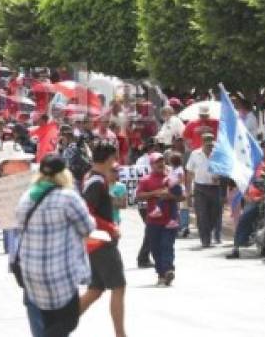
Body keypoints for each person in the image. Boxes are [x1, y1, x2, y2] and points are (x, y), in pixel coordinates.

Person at [14, 155, 94, 337]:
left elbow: (18, 226)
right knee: (69, 320)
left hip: (31, 271)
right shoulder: (67, 197)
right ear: (64, 173)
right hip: (59, 273)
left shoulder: (27, 196)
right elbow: (87, 227)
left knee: (50, 320)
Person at [80, 141, 127, 337]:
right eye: (114, 158)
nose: (115, 163)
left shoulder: (93, 177)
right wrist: (111, 228)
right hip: (101, 241)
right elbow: (87, 213)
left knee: (96, 290)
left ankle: (59, 326)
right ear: (109, 159)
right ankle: (120, 334)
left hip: (95, 241)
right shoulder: (97, 182)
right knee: (118, 286)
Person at [227, 141, 265, 259]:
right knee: (244, 220)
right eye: (264, 148)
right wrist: (246, 193)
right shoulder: (258, 164)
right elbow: (250, 179)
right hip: (253, 198)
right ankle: (237, 247)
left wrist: (263, 193)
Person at [137, 152, 183, 286]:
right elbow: (139, 195)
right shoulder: (145, 180)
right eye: (157, 162)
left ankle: (169, 270)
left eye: (162, 161)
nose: (160, 164)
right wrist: (155, 193)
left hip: (170, 221)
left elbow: (182, 195)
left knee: (167, 246)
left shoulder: (172, 177)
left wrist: (171, 197)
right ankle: (161, 274)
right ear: (151, 164)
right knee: (156, 248)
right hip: (153, 221)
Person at [0, 141, 35, 254]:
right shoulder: (12, 185)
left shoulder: (40, 180)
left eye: (1, 168)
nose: (1, 173)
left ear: (12, 162)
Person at [185, 133, 220, 248]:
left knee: (215, 213)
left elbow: (226, 169)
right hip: (200, 188)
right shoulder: (195, 154)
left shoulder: (218, 153)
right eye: (207, 142)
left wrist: (219, 176)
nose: (210, 145)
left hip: (215, 188)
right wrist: (188, 191)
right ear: (202, 142)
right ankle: (205, 239)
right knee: (201, 214)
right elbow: (189, 172)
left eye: (211, 142)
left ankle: (207, 231)